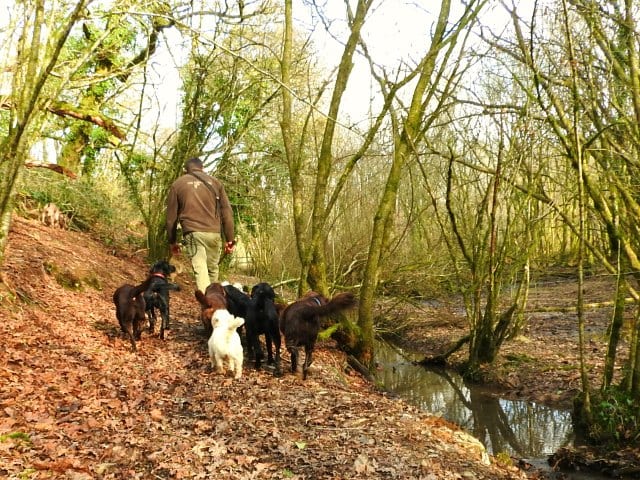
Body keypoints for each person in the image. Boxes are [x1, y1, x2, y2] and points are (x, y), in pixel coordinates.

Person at [166, 157, 235, 292]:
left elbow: (170, 218)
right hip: (214, 233)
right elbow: (227, 212)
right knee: (212, 269)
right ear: (202, 168)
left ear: (185, 170)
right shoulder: (216, 183)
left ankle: (208, 306)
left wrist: (172, 241)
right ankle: (215, 304)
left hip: (193, 233)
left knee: (201, 270)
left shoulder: (178, 184)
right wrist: (230, 239)